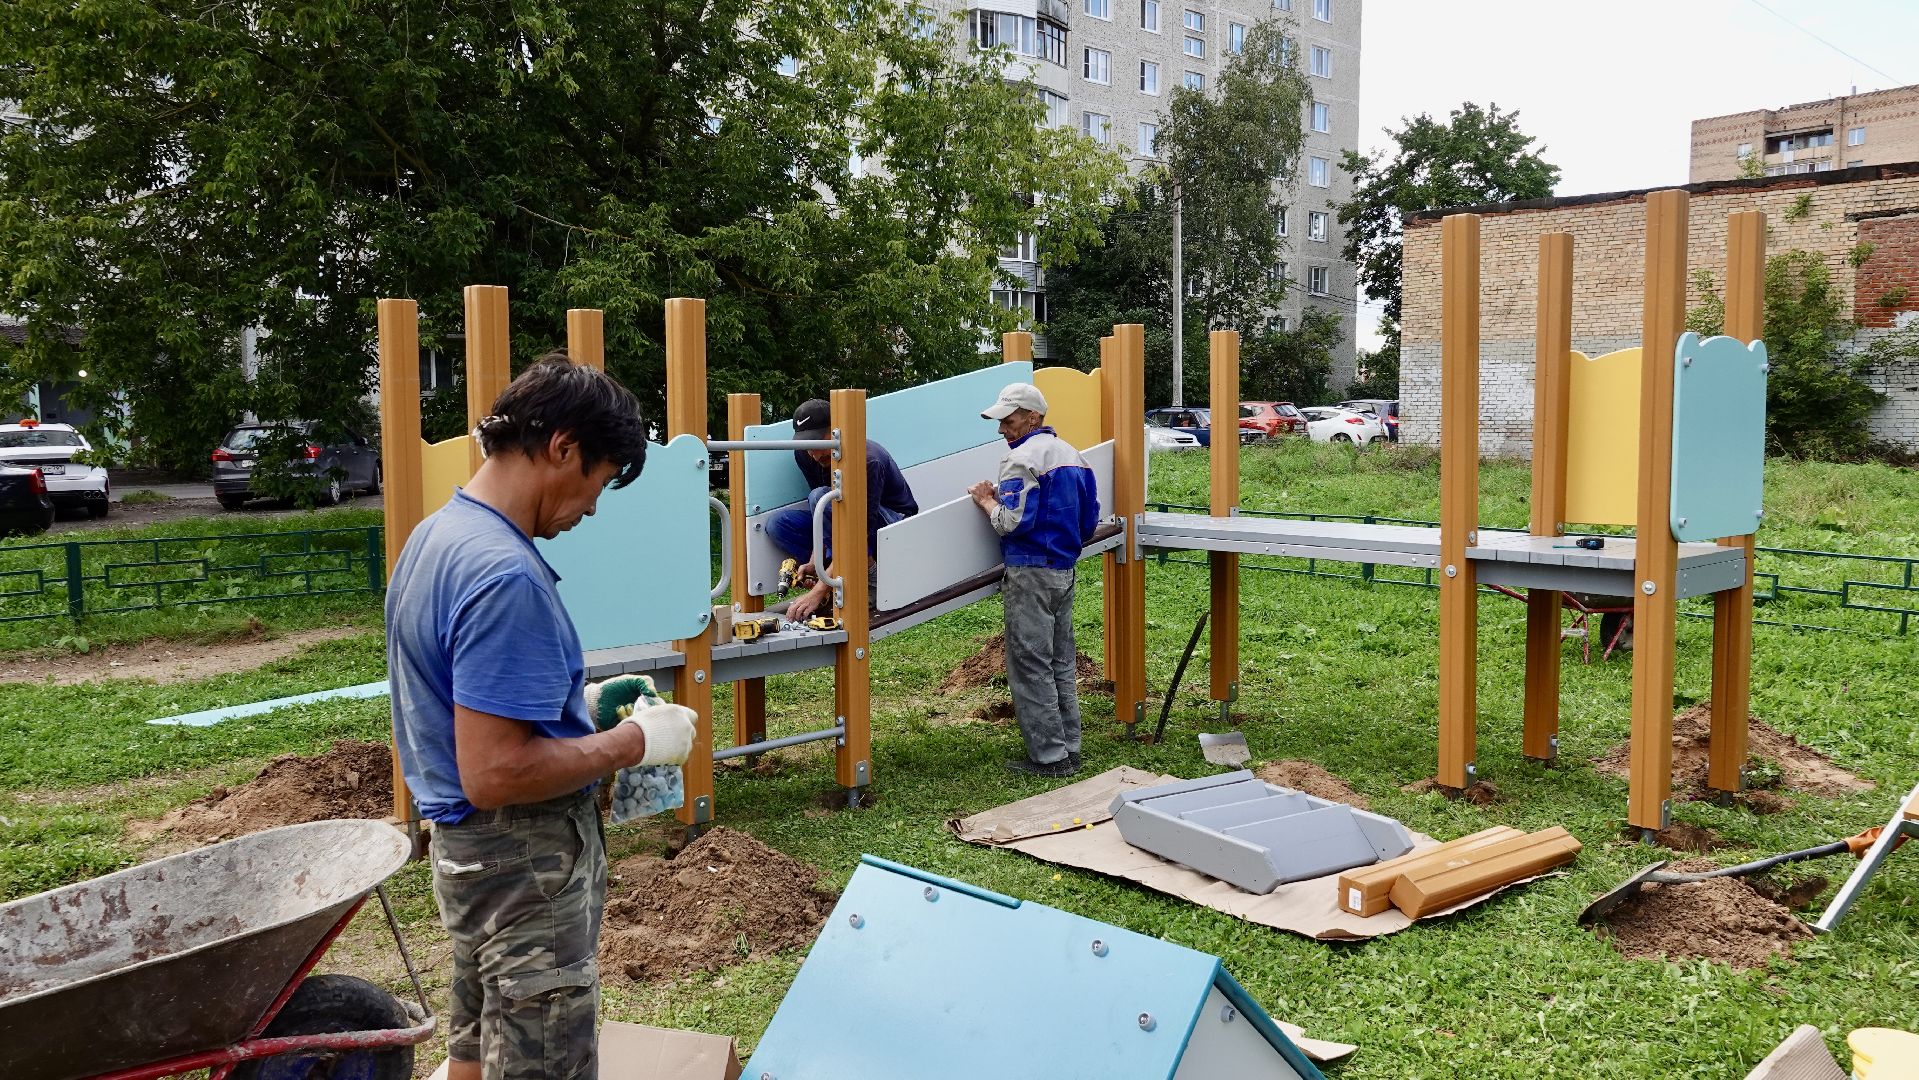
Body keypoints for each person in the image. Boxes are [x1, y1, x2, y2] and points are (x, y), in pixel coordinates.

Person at [387, 354, 698, 1080]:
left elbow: (453, 700)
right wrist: (630, 742)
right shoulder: (504, 575)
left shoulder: (437, 539)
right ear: (562, 447)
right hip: (523, 863)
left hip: (471, 863)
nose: (592, 505)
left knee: (473, 1047)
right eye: (598, 479)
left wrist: (569, 711)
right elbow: (496, 771)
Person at [967, 382, 1101, 778]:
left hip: (1029, 572)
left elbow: (1010, 522)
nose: (1001, 430)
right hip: (1064, 570)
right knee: (1061, 662)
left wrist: (986, 499)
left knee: (1030, 664)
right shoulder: (1075, 456)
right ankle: (1069, 749)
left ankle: (1048, 757)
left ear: (1033, 417)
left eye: (1007, 421)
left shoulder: (1020, 460)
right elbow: (1089, 522)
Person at [764, 397, 919, 621]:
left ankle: (872, 580)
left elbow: (858, 532)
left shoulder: (867, 460)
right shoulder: (807, 455)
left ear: (837, 429)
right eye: (807, 445)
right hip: (849, 523)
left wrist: (819, 591)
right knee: (779, 524)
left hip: (892, 529)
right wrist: (814, 561)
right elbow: (822, 514)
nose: (814, 454)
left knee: (824, 499)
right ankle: (832, 570)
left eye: (817, 442)